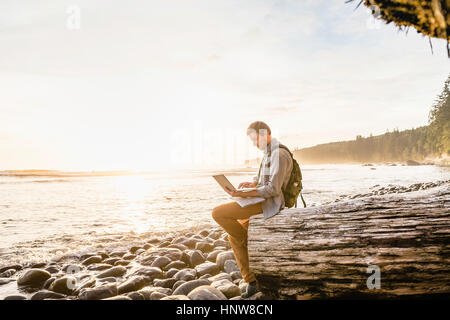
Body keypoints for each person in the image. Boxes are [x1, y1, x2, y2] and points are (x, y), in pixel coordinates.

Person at [211, 121, 293, 298]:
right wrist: (252, 183)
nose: (254, 144)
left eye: (255, 140)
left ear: (265, 134)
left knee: (218, 213)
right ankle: (252, 281)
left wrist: (245, 195)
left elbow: (273, 189)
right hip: (262, 199)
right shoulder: (270, 152)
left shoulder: (279, 154)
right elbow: (266, 177)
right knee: (232, 236)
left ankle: (247, 244)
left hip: (270, 203)